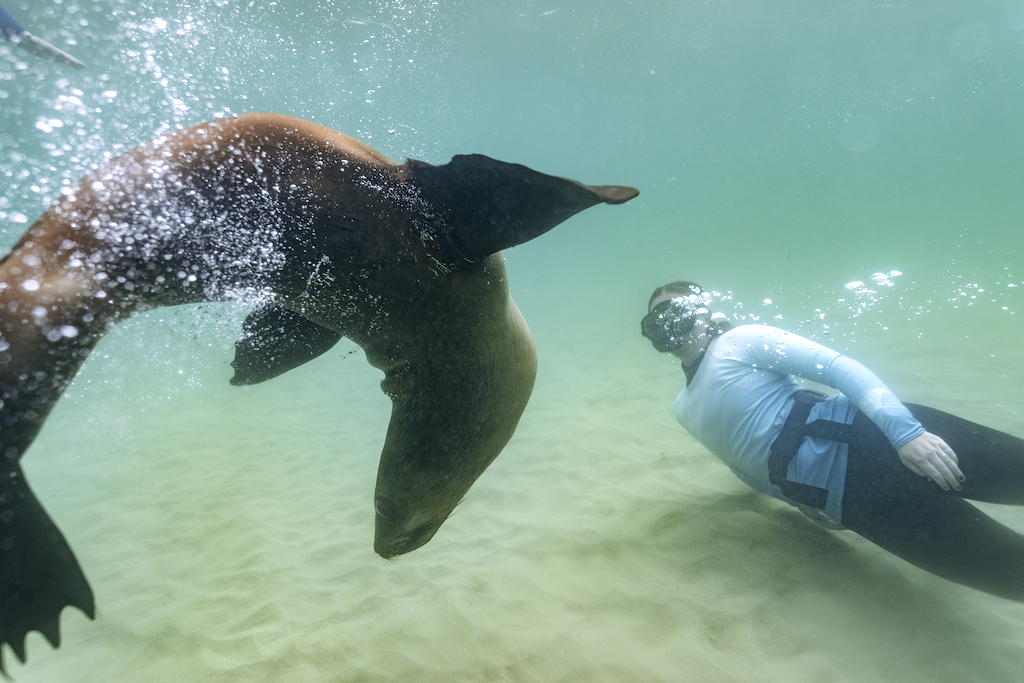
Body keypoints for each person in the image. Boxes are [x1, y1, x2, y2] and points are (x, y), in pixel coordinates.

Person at [641, 280, 1024, 600]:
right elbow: (743, 467)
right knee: (1008, 573)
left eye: (676, 307)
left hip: (877, 440)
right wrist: (800, 501)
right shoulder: (684, 408)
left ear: (705, 313)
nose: (668, 319)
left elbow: (840, 368)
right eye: (658, 314)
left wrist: (906, 433)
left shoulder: (740, 340)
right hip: (857, 504)